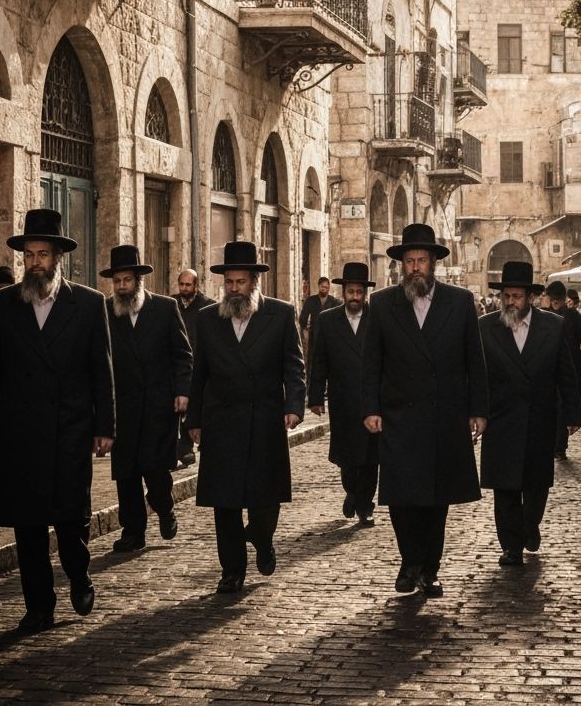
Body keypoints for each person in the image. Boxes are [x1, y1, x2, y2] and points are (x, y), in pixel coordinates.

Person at [0, 209, 114, 634]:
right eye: (29, 255)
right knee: (28, 525)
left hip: (69, 430)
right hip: (20, 431)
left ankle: (79, 573)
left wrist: (105, 427)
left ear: (58, 258)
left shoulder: (88, 304)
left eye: (43, 254)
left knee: (71, 521)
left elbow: (101, 371)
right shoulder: (2, 304)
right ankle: (39, 607)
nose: (35, 262)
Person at [362, 223, 488, 598]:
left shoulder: (460, 301)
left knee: (436, 499)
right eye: (409, 261)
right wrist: (370, 407)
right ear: (401, 265)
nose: (415, 267)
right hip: (399, 414)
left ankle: (430, 568)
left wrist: (478, 409)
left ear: (434, 263)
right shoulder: (383, 303)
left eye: (421, 260)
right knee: (401, 496)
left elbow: (474, 361)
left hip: (444, 415)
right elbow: (372, 361)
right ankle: (409, 562)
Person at [186, 241, 305, 594]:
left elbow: (293, 366)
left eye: (241, 282)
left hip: (264, 419)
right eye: (229, 282)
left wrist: (294, 406)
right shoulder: (209, 319)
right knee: (225, 503)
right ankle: (232, 570)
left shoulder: (281, 314)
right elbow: (199, 373)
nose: (234, 289)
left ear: (255, 282)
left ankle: (263, 538)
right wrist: (193, 419)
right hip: (221, 421)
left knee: (265, 499)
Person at [479, 262, 580, 565]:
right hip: (501, 420)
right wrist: (474, 412)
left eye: (516, 297)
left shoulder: (553, 326)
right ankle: (511, 545)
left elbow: (566, 372)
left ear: (530, 298)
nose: (510, 302)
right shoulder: (486, 327)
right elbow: (476, 375)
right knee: (505, 486)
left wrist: (573, 413)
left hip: (539, 418)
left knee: (536, 484)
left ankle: (530, 524)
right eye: (506, 296)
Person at [103, 245, 193, 552]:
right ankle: (133, 532)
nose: (122, 286)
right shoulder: (105, 312)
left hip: (158, 405)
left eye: (127, 280)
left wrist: (183, 391)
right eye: (117, 281)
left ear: (139, 280)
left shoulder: (165, 308)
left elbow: (183, 355)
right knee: (126, 473)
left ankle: (164, 507)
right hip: (122, 409)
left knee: (155, 471)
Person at [309, 261, 379, 525]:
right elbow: (320, 360)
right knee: (348, 457)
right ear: (343, 292)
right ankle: (352, 490)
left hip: (372, 400)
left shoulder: (377, 318)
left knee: (371, 458)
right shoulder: (327, 320)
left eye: (359, 293)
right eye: (351, 292)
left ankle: (365, 505)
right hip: (342, 399)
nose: (355, 298)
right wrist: (315, 396)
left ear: (365, 293)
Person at [173, 268, 214, 467]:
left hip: (200, 364)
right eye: (182, 284)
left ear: (196, 286)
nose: (184, 288)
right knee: (179, 405)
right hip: (178, 365)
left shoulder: (208, 307)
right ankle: (181, 447)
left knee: (197, 404)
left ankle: (190, 445)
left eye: (188, 285)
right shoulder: (172, 305)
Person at [544, 279, 581, 461]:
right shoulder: (544, 315)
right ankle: (551, 444)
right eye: (552, 299)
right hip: (547, 369)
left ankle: (560, 447)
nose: (555, 302)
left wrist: (580, 362)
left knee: (563, 408)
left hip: (568, 367)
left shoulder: (572, 316)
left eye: (558, 299)